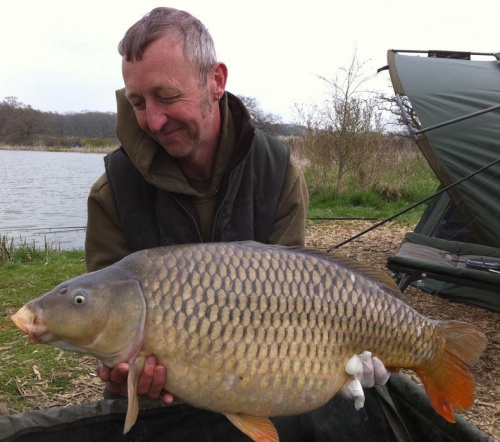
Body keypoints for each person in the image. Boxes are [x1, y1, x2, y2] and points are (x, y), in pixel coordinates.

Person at [84, 7, 403, 441]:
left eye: (167, 96)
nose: (153, 120)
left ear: (215, 82)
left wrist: (350, 352)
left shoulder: (278, 172)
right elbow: (102, 324)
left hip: (262, 377)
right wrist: (116, 373)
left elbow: (302, 297)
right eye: (138, 103)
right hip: (159, 403)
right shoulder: (112, 192)